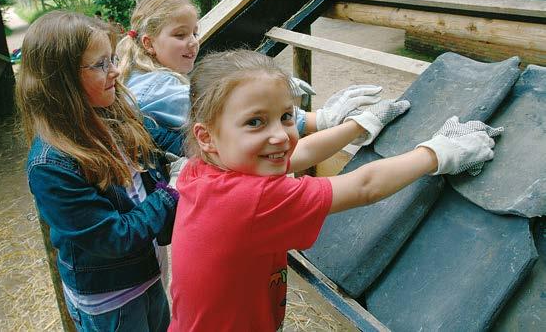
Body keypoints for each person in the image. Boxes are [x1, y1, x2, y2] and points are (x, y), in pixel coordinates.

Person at [169, 49, 502, 331]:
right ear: (207, 137)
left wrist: (357, 126)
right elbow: (365, 186)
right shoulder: (250, 201)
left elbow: (297, 154)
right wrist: (437, 153)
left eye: (286, 116)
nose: (280, 136)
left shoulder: (206, 170)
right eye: (255, 122)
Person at [17, 11, 177, 332]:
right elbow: (115, 237)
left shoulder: (111, 111)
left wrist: (211, 143)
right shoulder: (50, 165)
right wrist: (174, 190)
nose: (116, 71)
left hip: (147, 272)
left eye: (112, 59)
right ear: (62, 80)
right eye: (101, 64)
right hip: (111, 301)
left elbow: (164, 140)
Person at [116, 0, 383, 158]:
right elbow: (224, 110)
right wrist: (320, 120)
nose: (193, 42)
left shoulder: (144, 77)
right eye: (180, 35)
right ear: (149, 43)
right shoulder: (156, 88)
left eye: (195, 32)